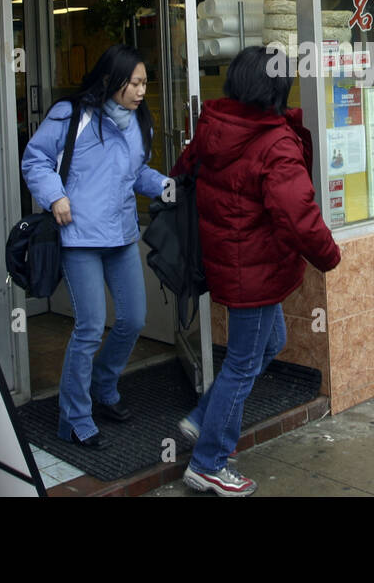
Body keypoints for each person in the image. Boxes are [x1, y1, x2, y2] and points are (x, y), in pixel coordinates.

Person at [171, 46, 340, 496]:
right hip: (255, 268)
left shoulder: (216, 125)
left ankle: (203, 418)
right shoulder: (273, 140)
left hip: (234, 262)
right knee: (243, 364)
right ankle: (208, 462)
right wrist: (329, 256)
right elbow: (298, 214)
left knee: (273, 342)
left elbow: (181, 172)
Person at [21, 44, 170, 448]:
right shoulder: (71, 115)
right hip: (79, 236)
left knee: (134, 319)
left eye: (144, 83)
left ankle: (103, 386)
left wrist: (164, 186)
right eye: (135, 83)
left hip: (120, 234)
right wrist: (55, 196)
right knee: (89, 326)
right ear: (113, 79)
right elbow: (35, 159)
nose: (142, 91)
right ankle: (74, 417)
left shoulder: (140, 123)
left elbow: (136, 173)